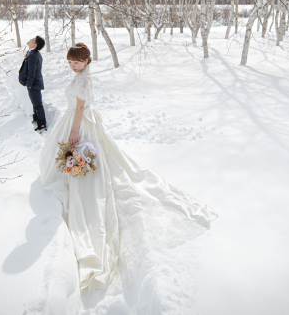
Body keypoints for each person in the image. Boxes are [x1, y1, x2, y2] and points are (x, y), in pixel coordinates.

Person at [39, 42, 217, 295]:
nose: (72, 66)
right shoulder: (84, 77)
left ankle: (82, 180)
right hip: (82, 118)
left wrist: (75, 132)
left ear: (87, 61)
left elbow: (79, 107)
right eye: (69, 62)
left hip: (79, 122)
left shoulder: (82, 80)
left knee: (88, 159)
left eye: (76, 62)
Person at [19, 36, 46, 132]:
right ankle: (36, 118)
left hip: (34, 84)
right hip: (34, 83)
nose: (30, 39)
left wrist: (29, 84)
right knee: (35, 102)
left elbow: (32, 72)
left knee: (38, 104)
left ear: (34, 45)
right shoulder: (34, 53)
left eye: (32, 39)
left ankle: (42, 124)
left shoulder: (33, 55)